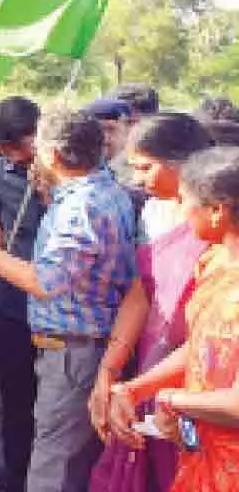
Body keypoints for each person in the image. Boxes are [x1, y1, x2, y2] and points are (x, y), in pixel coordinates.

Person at [0, 109, 138, 492]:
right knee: (72, 462)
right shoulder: (103, 189)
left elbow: (44, 282)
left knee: (51, 468)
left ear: (53, 154)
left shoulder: (81, 206)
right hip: (82, 347)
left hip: (75, 351)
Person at [88, 114, 215, 491]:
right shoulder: (154, 210)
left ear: (182, 164)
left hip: (205, 366)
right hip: (152, 359)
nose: (138, 179)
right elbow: (143, 289)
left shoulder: (219, 218)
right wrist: (109, 372)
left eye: (146, 167)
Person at [107, 146, 239, 490]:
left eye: (184, 201)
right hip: (203, 453)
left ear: (216, 211)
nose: (179, 212)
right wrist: (136, 389)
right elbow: (202, 347)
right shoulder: (214, 262)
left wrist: (172, 399)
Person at [0, 96, 46, 492]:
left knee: (53, 405)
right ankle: (13, 475)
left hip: (57, 304)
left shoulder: (64, 172)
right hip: (11, 302)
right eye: (6, 149)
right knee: (14, 396)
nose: (16, 156)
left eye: (22, 146)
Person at [85, 97, 135, 181]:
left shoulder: (138, 168)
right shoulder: (77, 167)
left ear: (127, 130)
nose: (104, 137)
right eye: (98, 130)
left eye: (111, 129)